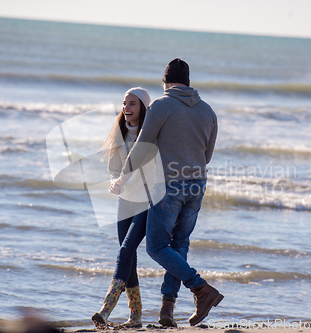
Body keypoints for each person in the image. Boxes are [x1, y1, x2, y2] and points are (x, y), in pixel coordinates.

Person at [111, 59, 222, 327]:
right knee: (179, 244)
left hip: (169, 186)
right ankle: (167, 310)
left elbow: (141, 147)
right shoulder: (208, 112)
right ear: (188, 82)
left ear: (165, 82)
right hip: (197, 186)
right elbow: (206, 157)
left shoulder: (161, 106)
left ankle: (201, 288)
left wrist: (123, 177)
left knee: (157, 247)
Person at [92, 87, 152, 328]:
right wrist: (114, 184)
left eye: (133, 103)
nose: (126, 107)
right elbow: (114, 169)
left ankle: (106, 309)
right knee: (129, 257)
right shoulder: (119, 133)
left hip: (146, 202)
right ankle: (136, 317)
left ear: (143, 108)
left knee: (126, 251)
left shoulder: (150, 136)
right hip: (124, 201)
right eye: (125, 103)